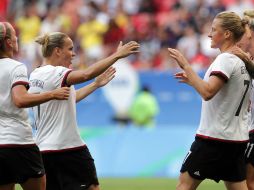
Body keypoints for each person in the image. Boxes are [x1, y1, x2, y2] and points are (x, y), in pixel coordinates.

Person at [28, 32, 139, 190]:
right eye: (70, 49)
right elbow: (86, 73)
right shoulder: (55, 73)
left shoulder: (36, 74)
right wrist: (117, 55)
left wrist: (95, 84)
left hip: (44, 151)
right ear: (57, 51)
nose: (73, 54)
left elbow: (70, 98)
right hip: (68, 147)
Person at [168, 11, 250, 190]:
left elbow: (208, 92)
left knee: (184, 185)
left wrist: (186, 65)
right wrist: (193, 81)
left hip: (213, 139)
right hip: (237, 140)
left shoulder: (225, 59)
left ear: (227, 33)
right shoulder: (244, 63)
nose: (209, 34)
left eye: (214, 29)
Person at [0, 22, 70, 190]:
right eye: (15, 34)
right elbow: (20, 100)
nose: (17, 37)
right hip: (19, 142)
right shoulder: (16, 67)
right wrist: (52, 94)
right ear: (9, 42)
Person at [230, 10, 254, 190]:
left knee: (248, 181)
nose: (240, 40)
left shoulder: (248, 59)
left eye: (244, 36)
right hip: (248, 128)